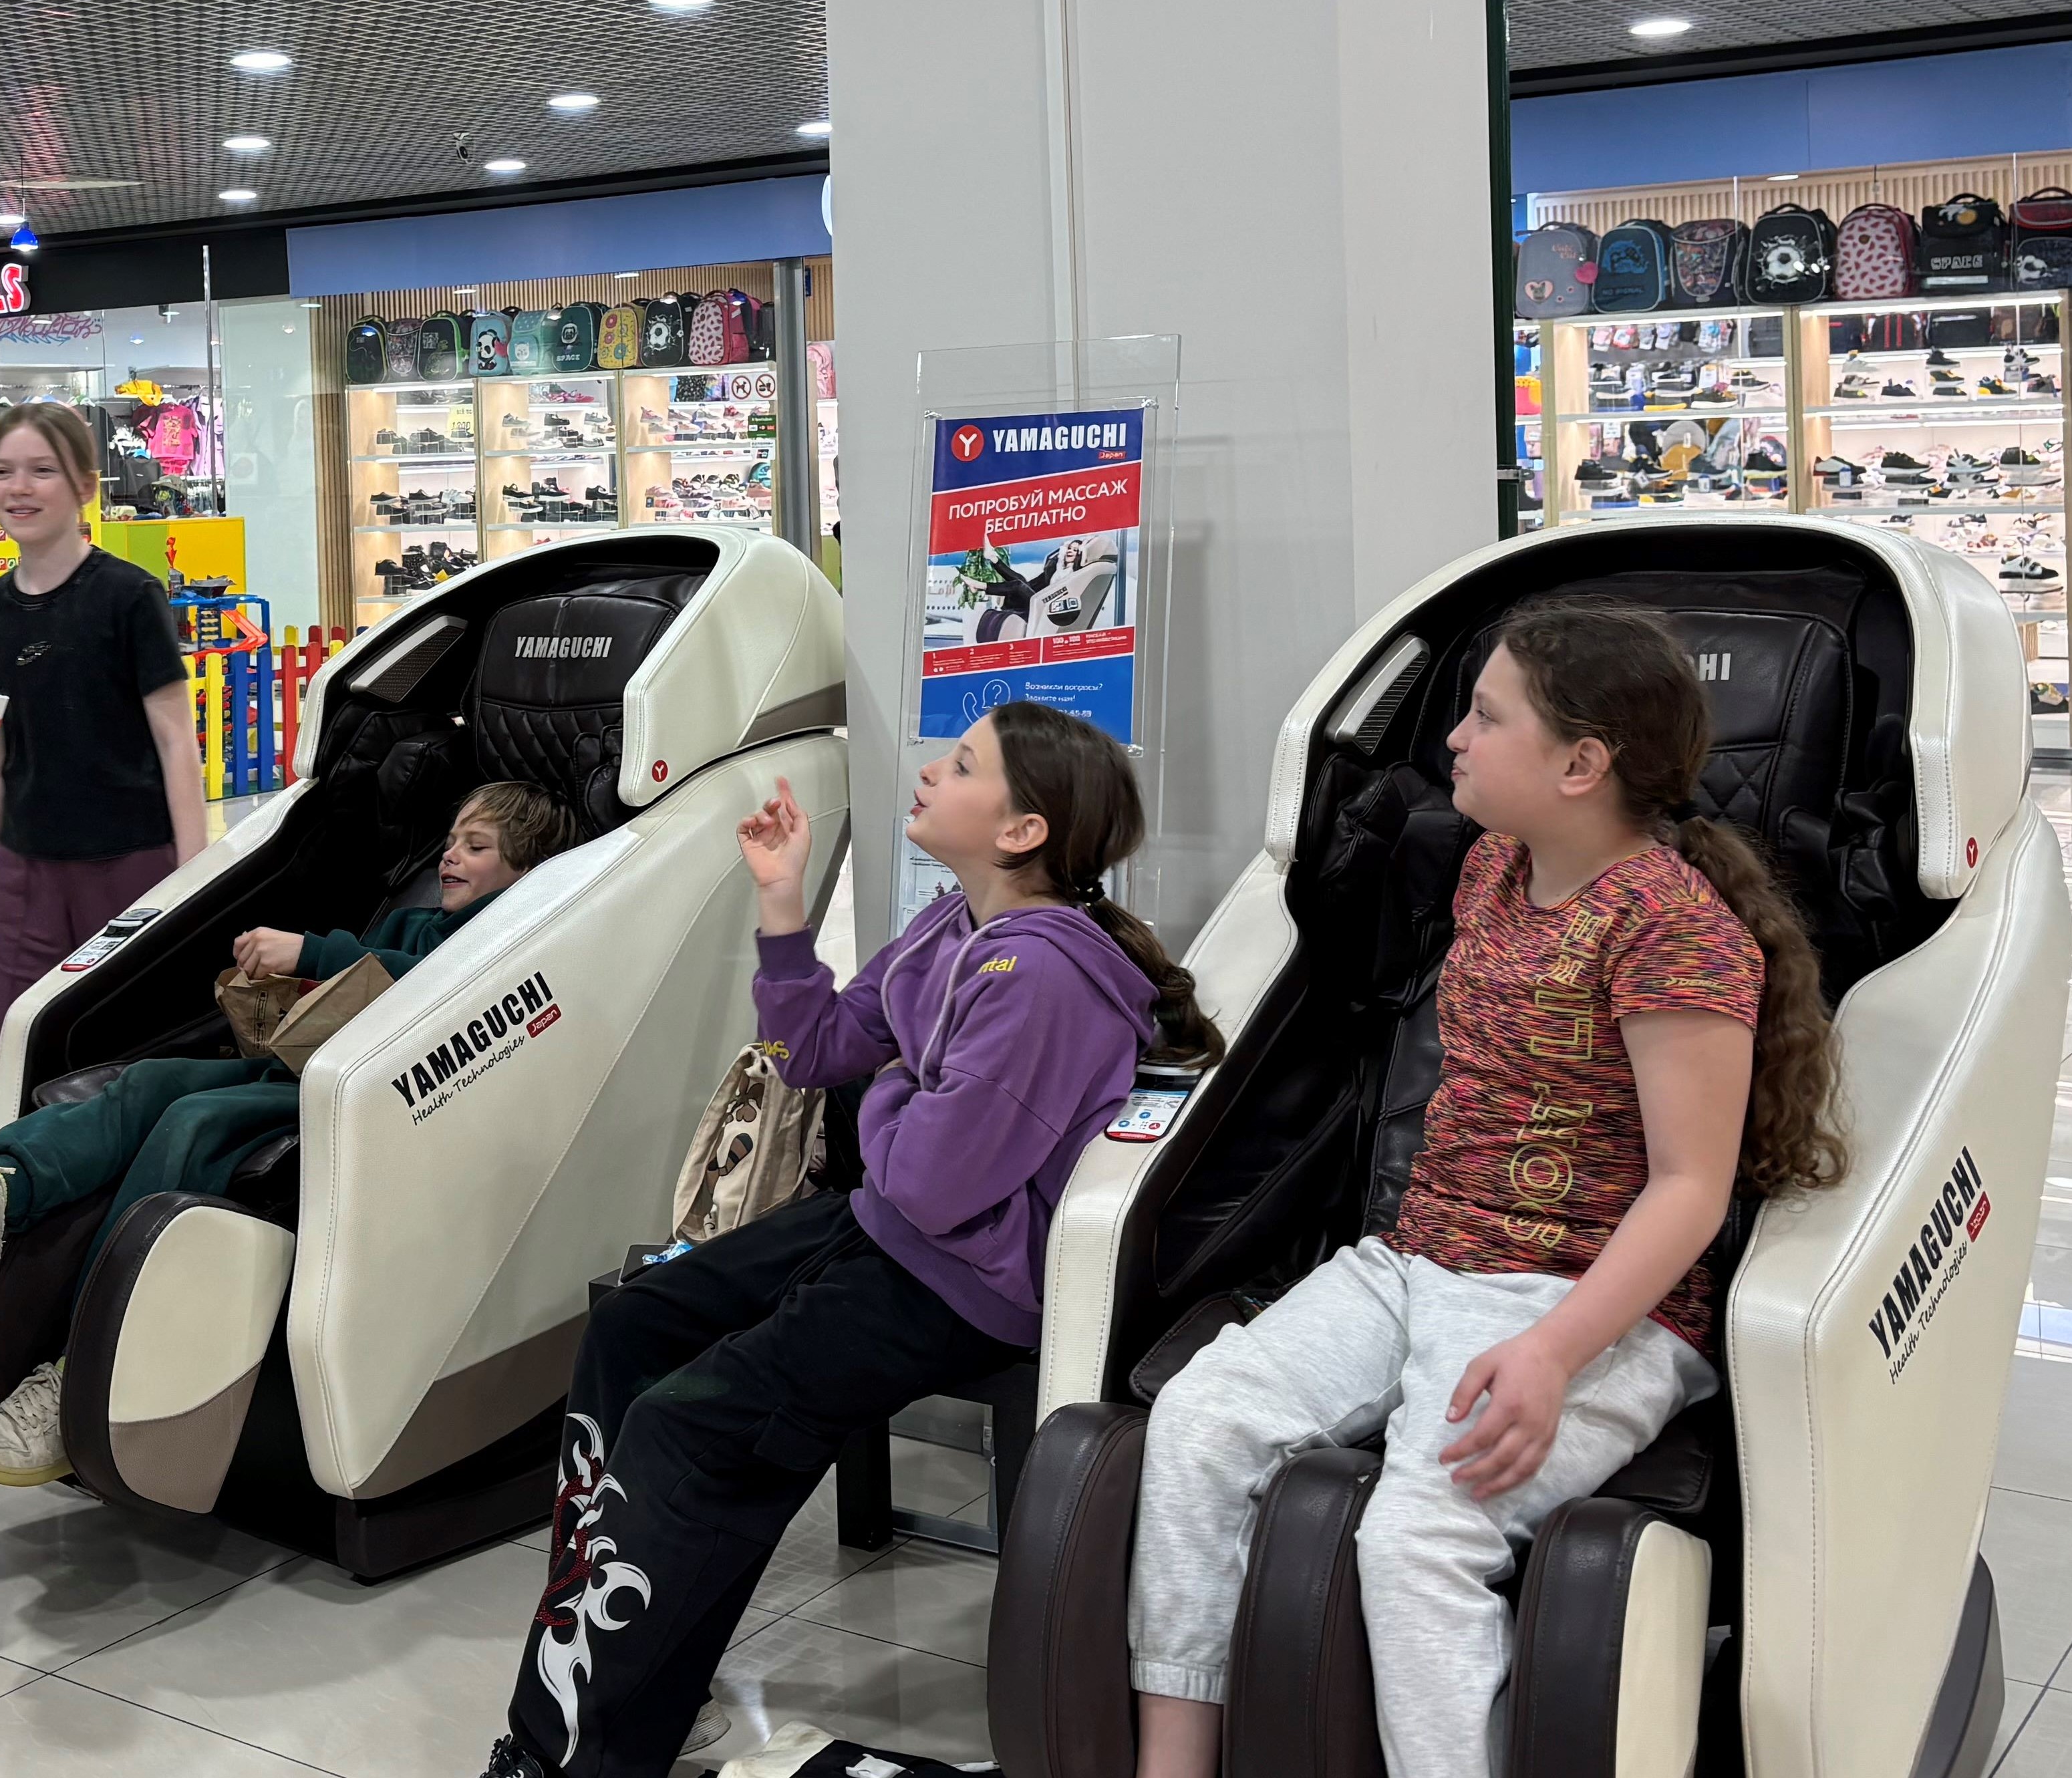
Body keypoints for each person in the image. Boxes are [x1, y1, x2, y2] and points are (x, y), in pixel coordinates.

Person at [1118, 602, 1847, 1778]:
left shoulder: (1676, 931)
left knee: (1417, 1537)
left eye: (1487, 717)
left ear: (1581, 764)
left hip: (1580, 1304)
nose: (1454, 737)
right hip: (1417, 1261)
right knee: (1200, 1422)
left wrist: (1553, 1353)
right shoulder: (1493, 866)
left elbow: (1691, 1187)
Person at [480, 702, 1221, 1778]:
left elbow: (927, 1180)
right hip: (884, 1230)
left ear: (1022, 830)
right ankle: (625, 1676)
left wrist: (894, 1089)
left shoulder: (1044, 978)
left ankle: (565, 1753)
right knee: (633, 1327)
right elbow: (813, 1052)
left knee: (692, 1432)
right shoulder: (948, 928)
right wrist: (782, 902)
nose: (929, 773)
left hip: (959, 1284)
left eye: (962, 766)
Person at [0, 779, 576, 1485]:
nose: (450, 856)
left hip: (356, 1105)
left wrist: (314, 953)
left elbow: (438, 993)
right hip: (300, 1071)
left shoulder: (506, 941)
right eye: (451, 841)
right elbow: (359, 990)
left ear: (524, 870)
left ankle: (77, 1375)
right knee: (150, 1082)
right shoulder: (412, 922)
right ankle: (0, 1194)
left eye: (476, 847)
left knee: (194, 1121)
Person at [0, 400, 206, 1134]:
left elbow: (176, 742)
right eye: (3, 471)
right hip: (23, 876)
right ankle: (1, 1186)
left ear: (86, 487)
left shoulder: (130, 596)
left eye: (42, 470)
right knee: (12, 1060)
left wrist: (193, 888)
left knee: (126, 1059)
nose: (18, 488)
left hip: (130, 868)